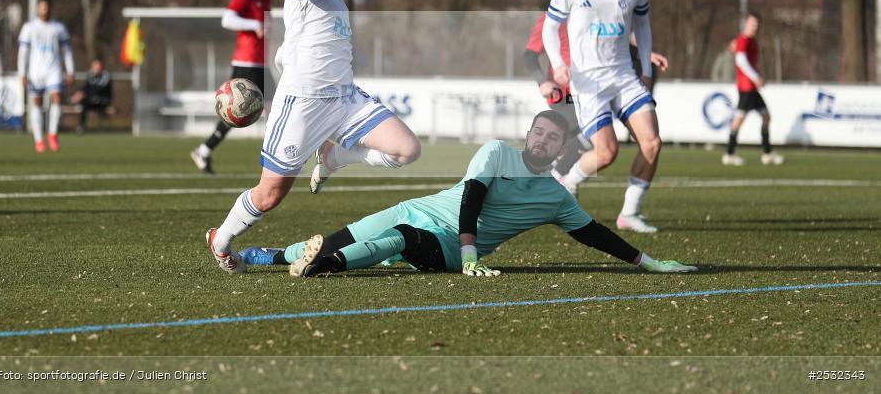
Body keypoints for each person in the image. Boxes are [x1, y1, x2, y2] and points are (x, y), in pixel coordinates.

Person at [239, 111, 697, 277]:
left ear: (563, 148)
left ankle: (320, 267)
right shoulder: (497, 152)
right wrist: (474, 249)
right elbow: (471, 198)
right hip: (426, 215)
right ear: (528, 134)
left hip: (451, 249)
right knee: (342, 235)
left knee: (398, 238)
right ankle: (273, 257)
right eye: (537, 132)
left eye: (551, 138)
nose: (541, 140)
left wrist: (647, 262)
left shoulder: (556, 198)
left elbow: (596, 235)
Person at [206, 0, 421, 274]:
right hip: (303, 102)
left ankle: (336, 156)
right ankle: (221, 240)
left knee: (407, 149)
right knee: (270, 195)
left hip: (345, 97)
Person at [542, 0, 661, 233]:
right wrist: (557, 65)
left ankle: (629, 213)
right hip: (588, 83)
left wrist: (645, 70)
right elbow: (549, 28)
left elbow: (643, 28)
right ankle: (569, 183)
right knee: (607, 153)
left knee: (652, 143)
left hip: (624, 76)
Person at [525, 0, 669, 185]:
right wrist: (542, 80)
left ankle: (561, 183)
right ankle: (552, 179)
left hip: (593, 87)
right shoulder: (550, 21)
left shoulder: (591, 12)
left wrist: (647, 53)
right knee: (589, 136)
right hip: (563, 92)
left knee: (593, 141)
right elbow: (529, 56)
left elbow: (616, 38)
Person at [191, 0, 271, 174]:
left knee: (275, 108)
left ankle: (205, 150)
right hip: (246, 63)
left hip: (262, 64)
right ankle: (204, 150)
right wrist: (255, 25)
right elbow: (227, 19)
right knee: (236, 111)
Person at [722, 12, 784, 166]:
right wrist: (756, 78)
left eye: (757, 24)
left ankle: (767, 153)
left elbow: (738, 53)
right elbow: (741, 61)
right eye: (752, 23)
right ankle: (729, 154)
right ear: (746, 24)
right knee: (739, 120)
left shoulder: (749, 41)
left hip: (751, 89)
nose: (754, 27)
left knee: (766, 116)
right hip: (746, 87)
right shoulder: (744, 39)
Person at [17, 0, 74, 153]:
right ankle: (39, 140)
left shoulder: (59, 28)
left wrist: (70, 71)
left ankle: (52, 134)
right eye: (41, 7)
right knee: (37, 103)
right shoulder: (29, 28)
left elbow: (67, 51)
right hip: (35, 71)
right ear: (37, 9)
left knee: (57, 98)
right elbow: (23, 52)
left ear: (50, 8)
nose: (44, 10)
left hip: (53, 69)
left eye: (47, 7)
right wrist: (22, 72)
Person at [71, 58, 112, 134]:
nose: (97, 69)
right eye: (95, 67)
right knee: (84, 104)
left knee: (88, 100)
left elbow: (99, 89)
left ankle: (103, 128)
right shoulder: (90, 76)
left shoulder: (106, 76)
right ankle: (81, 126)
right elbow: (86, 88)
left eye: (98, 67)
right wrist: (80, 94)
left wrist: (85, 94)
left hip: (103, 100)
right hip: (91, 100)